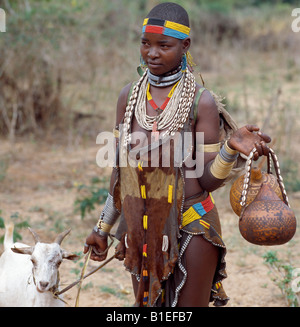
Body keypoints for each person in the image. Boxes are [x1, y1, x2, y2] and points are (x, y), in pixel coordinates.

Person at [83, 2, 271, 307]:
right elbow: (121, 177)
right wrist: (101, 229)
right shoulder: (128, 96)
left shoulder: (201, 101)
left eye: (164, 46)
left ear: (185, 46)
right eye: (145, 44)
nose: (152, 53)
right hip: (142, 228)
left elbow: (207, 181)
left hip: (191, 221)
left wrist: (229, 148)